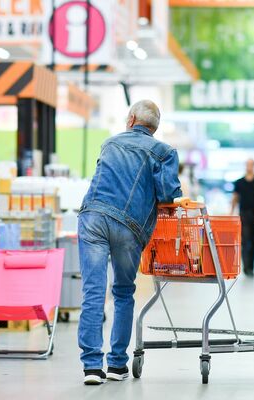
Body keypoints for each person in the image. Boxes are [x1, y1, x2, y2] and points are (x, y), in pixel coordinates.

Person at [77, 100, 182, 385]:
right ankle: (116, 364)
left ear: (132, 119)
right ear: (154, 127)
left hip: (93, 218)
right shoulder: (164, 152)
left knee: (93, 293)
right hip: (128, 226)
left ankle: (91, 368)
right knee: (123, 292)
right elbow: (168, 195)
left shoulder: (109, 143)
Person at [231, 159, 254, 276]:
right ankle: (246, 267)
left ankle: (251, 266)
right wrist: (231, 212)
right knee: (245, 240)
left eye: (251, 164)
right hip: (244, 215)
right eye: (248, 164)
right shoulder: (239, 182)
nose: (249, 166)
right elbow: (235, 198)